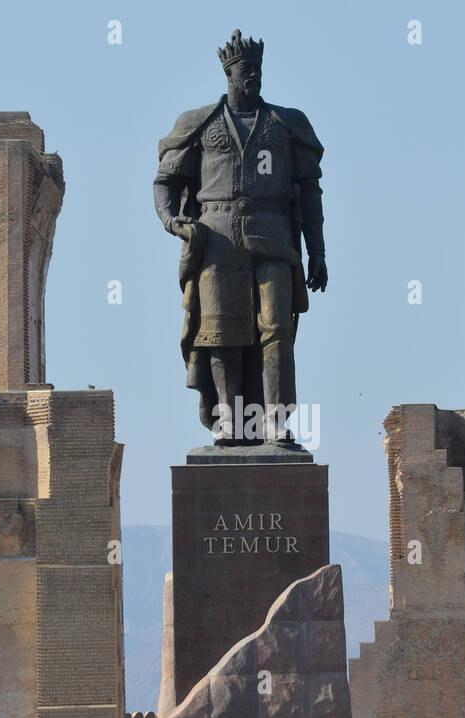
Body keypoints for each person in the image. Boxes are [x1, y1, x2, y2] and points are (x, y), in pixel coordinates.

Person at [155, 29, 328, 447]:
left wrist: (317, 251)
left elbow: (309, 193)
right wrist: (171, 221)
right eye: (245, 69)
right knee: (220, 333)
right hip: (215, 240)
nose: (253, 75)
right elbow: (165, 181)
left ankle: (275, 423)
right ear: (229, 73)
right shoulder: (199, 124)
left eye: (257, 69)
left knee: (277, 329)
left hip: (274, 236)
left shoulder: (287, 124)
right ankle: (230, 424)